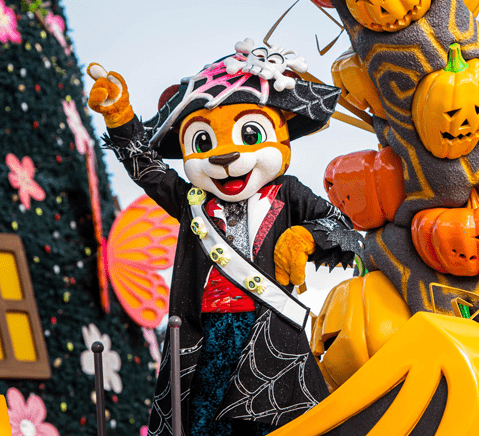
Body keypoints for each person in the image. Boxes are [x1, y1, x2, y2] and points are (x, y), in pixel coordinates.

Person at [87, 38, 360, 436]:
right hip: (202, 336)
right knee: (200, 420)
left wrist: (305, 237)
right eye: (203, 143)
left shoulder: (288, 193)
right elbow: (149, 171)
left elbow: (345, 229)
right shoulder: (191, 201)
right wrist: (120, 119)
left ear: (281, 135)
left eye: (249, 135)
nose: (224, 157)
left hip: (268, 331)